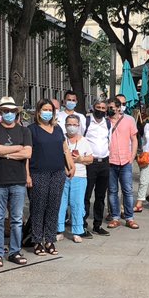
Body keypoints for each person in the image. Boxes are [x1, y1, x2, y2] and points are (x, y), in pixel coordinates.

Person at [0, 96, 32, 268]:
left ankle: (14, 251)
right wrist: (16, 149)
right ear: (1, 112)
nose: (9, 114)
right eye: (5, 111)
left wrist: (4, 153)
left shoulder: (24, 131)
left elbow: (27, 153)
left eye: (12, 111)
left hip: (18, 180)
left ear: (16, 112)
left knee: (17, 218)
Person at [28, 98, 72, 255]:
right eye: (44, 109)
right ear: (39, 111)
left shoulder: (58, 128)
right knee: (38, 207)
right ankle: (37, 240)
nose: (47, 113)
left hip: (58, 173)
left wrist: (70, 165)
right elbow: (27, 155)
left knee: (54, 206)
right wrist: (27, 175)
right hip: (38, 173)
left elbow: (64, 148)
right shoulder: (32, 129)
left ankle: (50, 239)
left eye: (50, 110)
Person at [58, 114, 93, 243]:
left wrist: (80, 159)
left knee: (77, 204)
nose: (71, 127)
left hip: (79, 176)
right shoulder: (61, 140)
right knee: (61, 204)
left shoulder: (83, 141)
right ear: (65, 126)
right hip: (62, 176)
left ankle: (78, 230)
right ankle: (59, 229)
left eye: (74, 125)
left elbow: (90, 158)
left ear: (78, 126)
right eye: (69, 124)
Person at [107, 97, 139, 229]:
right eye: (108, 107)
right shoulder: (104, 121)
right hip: (110, 160)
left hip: (125, 160)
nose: (110, 109)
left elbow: (134, 139)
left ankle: (129, 217)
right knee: (112, 191)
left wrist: (132, 157)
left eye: (112, 107)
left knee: (127, 190)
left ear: (119, 108)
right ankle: (115, 217)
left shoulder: (129, 120)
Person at [82, 97, 111, 237]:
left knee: (100, 196)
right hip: (90, 163)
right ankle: (82, 225)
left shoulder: (108, 123)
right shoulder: (86, 122)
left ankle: (97, 225)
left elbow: (108, 140)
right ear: (93, 108)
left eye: (103, 108)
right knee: (86, 195)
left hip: (104, 162)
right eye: (98, 108)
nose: (100, 110)